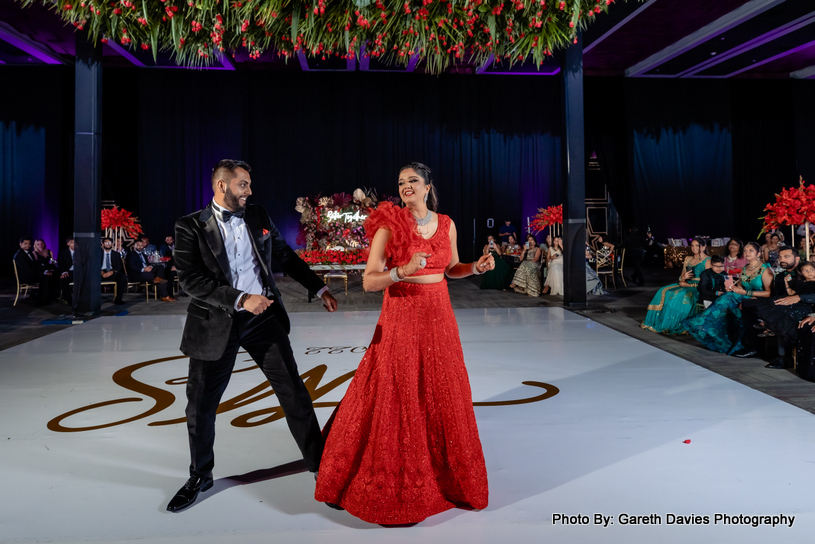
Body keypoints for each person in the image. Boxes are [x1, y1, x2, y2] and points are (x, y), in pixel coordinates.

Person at [315, 162, 491, 525]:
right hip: (402, 315)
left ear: (428, 187)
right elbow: (369, 281)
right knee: (398, 394)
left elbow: (451, 268)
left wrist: (476, 268)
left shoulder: (447, 224)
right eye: (401, 182)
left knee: (439, 392)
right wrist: (403, 271)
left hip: (440, 317)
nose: (406, 186)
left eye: (413, 180)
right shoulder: (388, 225)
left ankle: (445, 479)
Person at [167, 159, 338, 513]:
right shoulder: (190, 227)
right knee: (200, 408)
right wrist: (242, 299)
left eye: (248, 185)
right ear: (221, 186)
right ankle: (200, 475)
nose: (249, 191)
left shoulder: (257, 215)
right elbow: (191, 282)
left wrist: (319, 288)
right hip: (216, 321)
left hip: (263, 321)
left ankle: (322, 469)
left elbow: (285, 256)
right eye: (242, 185)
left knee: (294, 393)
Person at [681, 241, 772, 354]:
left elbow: (769, 293)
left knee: (728, 298)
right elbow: (739, 286)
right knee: (728, 295)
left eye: (751, 250)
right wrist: (731, 288)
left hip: (759, 298)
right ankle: (720, 333)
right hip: (743, 296)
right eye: (745, 250)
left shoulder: (765, 269)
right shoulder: (745, 268)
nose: (747, 253)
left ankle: (705, 322)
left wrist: (745, 293)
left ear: (758, 254)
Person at [734, 246, 803, 368]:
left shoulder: (804, 272)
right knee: (749, 303)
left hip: (800, 305)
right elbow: (776, 294)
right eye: (780, 257)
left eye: (786, 257)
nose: (782, 259)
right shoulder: (781, 276)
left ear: (796, 259)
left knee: (780, 315)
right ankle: (754, 346)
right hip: (782, 303)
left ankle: (783, 357)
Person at [641, 237, 710, 334]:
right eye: (692, 245)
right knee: (663, 290)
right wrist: (683, 278)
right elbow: (681, 276)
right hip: (685, 283)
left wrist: (690, 284)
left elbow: (708, 280)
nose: (694, 248)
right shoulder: (688, 258)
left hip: (698, 287)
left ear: (703, 247)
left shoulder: (707, 261)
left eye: (697, 245)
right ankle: (658, 322)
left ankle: (673, 324)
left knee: (677, 295)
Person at [100, 237, 128, 305]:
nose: (108, 244)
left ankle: (118, 299)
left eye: (109, 243)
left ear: (112, 244)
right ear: (103, 244)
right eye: (106, 242)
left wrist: (111, 272)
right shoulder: (97, 253)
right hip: (100, 272)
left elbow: (118, 266)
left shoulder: (116, 254)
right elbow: (94, 264)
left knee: (122, 277)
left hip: (112, 272)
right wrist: (101, 272)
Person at [57, 237, 75, 303]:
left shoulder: (81, 252)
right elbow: (61, 264)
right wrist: (64, 272)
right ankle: (68, 300)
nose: (74, 244)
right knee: (63, 279)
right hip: (68, 272)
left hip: (79, 273)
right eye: (72, 242)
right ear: (68, 244)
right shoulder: (63, 253)